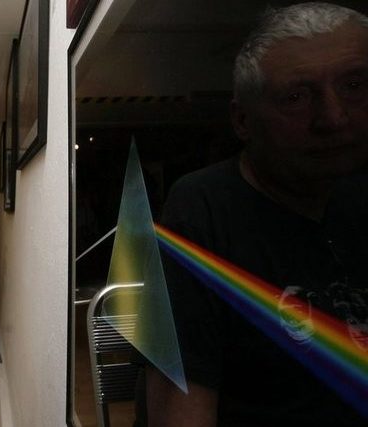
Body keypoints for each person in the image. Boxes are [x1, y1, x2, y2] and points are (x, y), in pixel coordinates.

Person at [145, 2, 368, 426]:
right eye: (296, 97)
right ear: (243, 121)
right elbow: (181, 409)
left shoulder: (357, 192)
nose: (334, 117)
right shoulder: (203, 208)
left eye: (354, 85)